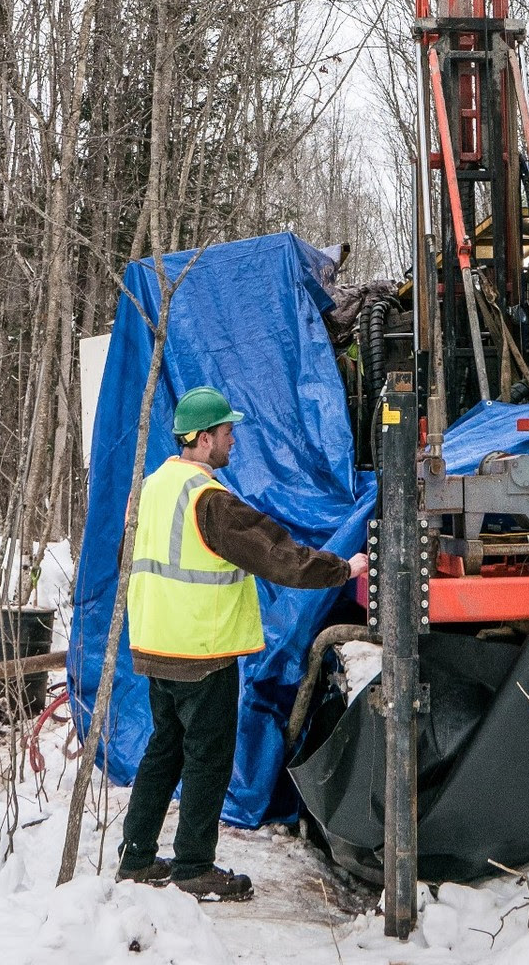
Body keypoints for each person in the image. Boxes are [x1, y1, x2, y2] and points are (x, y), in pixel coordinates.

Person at [117, 385, 368, 902]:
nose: (234, 443)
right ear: (204, 440)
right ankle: (193, 867)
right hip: (202, 654)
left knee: (163, 750)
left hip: (156, 648)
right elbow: (276, 554)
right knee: (208, 759)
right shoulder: (209, 500)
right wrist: (343, 567)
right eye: (228, 433)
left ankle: (137, 858)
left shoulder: (152, 487)